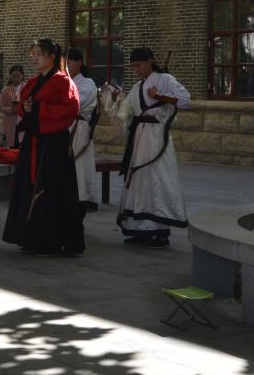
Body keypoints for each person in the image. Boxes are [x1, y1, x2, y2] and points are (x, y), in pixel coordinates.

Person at [2, 38, 84, 257]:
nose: (35, 58)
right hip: (34, 141)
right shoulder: (33, 81)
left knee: (50, 188)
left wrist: (37, 108)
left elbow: (71, 109)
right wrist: (26, 107)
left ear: (52, 56)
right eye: (34, 54)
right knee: (29, 186)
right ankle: (31, 237)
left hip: (53, 143)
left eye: (39, 54)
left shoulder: (63, 81)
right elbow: (23, 105)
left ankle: (51, 240)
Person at [116, 47, 191, 249]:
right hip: (140, 138)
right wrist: (116, 101)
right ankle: (140, 229)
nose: (136, 70)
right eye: (133, 67)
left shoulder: (166, 79)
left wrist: (161, 97)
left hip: (157, 138)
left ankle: (159, 231)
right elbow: (127, 109)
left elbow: (186, 101)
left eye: (139, 65)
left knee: (157, 179)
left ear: (150, 62)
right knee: (139, 180)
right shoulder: (138, 86)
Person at [67, 49, 100, 211]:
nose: (67, 66)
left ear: (79, 63)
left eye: (70, 62)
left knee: (81, 164)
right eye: (65, 63)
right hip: (66, 127)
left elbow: (78, 104)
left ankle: (84, 197)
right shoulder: (65, 82)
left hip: (80, 128)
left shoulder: (87, 83)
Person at [0, 64, 24, 148]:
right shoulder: (5, 90)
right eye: (13, 76)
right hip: (9, 122)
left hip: (23, 121)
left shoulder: (27, 87)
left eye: (18, 76)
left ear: (22, 75)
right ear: (10, 76)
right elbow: (1, 107)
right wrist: (11, 109)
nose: (16, 78)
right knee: (11, 147)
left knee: (22, 146)